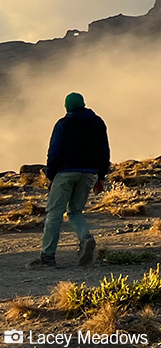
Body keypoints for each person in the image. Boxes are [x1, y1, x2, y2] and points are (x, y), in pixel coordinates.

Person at [31, 92, 109, 268]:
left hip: (65, 173)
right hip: (88, 174)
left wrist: (51, 176)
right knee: (75, 211)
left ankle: (47, 257)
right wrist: (101, 177)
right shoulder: (98, 123)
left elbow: (54, 152)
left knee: (54, 213)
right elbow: (105, 150)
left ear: (67, 107)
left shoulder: (63, 124)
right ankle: (86, 238)